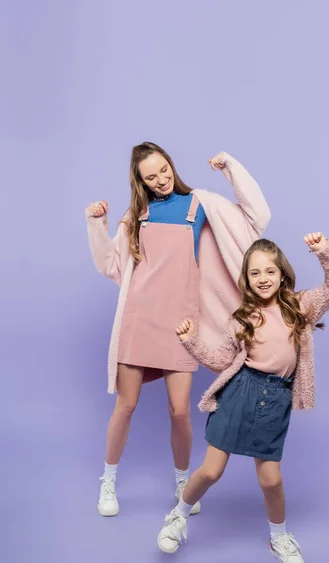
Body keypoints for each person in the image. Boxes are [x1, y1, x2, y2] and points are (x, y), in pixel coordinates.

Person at [85, 142, 271, 517]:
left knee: (180, 412)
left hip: (182, 325)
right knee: (126, 405)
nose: (160, 181)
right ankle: (108, 480)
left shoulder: (200, 205)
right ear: (140, 181)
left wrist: (231, 168)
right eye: (151, 177)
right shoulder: (137, 213)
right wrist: (96, 224)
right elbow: (111, 264)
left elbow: (258, 217)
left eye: (164, 171)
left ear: (171, 165)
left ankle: (183, 480)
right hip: (138, 321)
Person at [157, 232, 329, 563]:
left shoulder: (300, 305)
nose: (263, 279)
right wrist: (191, 341)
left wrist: (324, 252)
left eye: (270, 272)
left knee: (271, 480)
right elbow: (221, 360)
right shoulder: (242, 318)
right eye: (255, 273)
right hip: (239, 393)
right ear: (246, 278)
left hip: (276, 399)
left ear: (282, 273)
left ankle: (279, 537)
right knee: (211, 471)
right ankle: (178, 516)